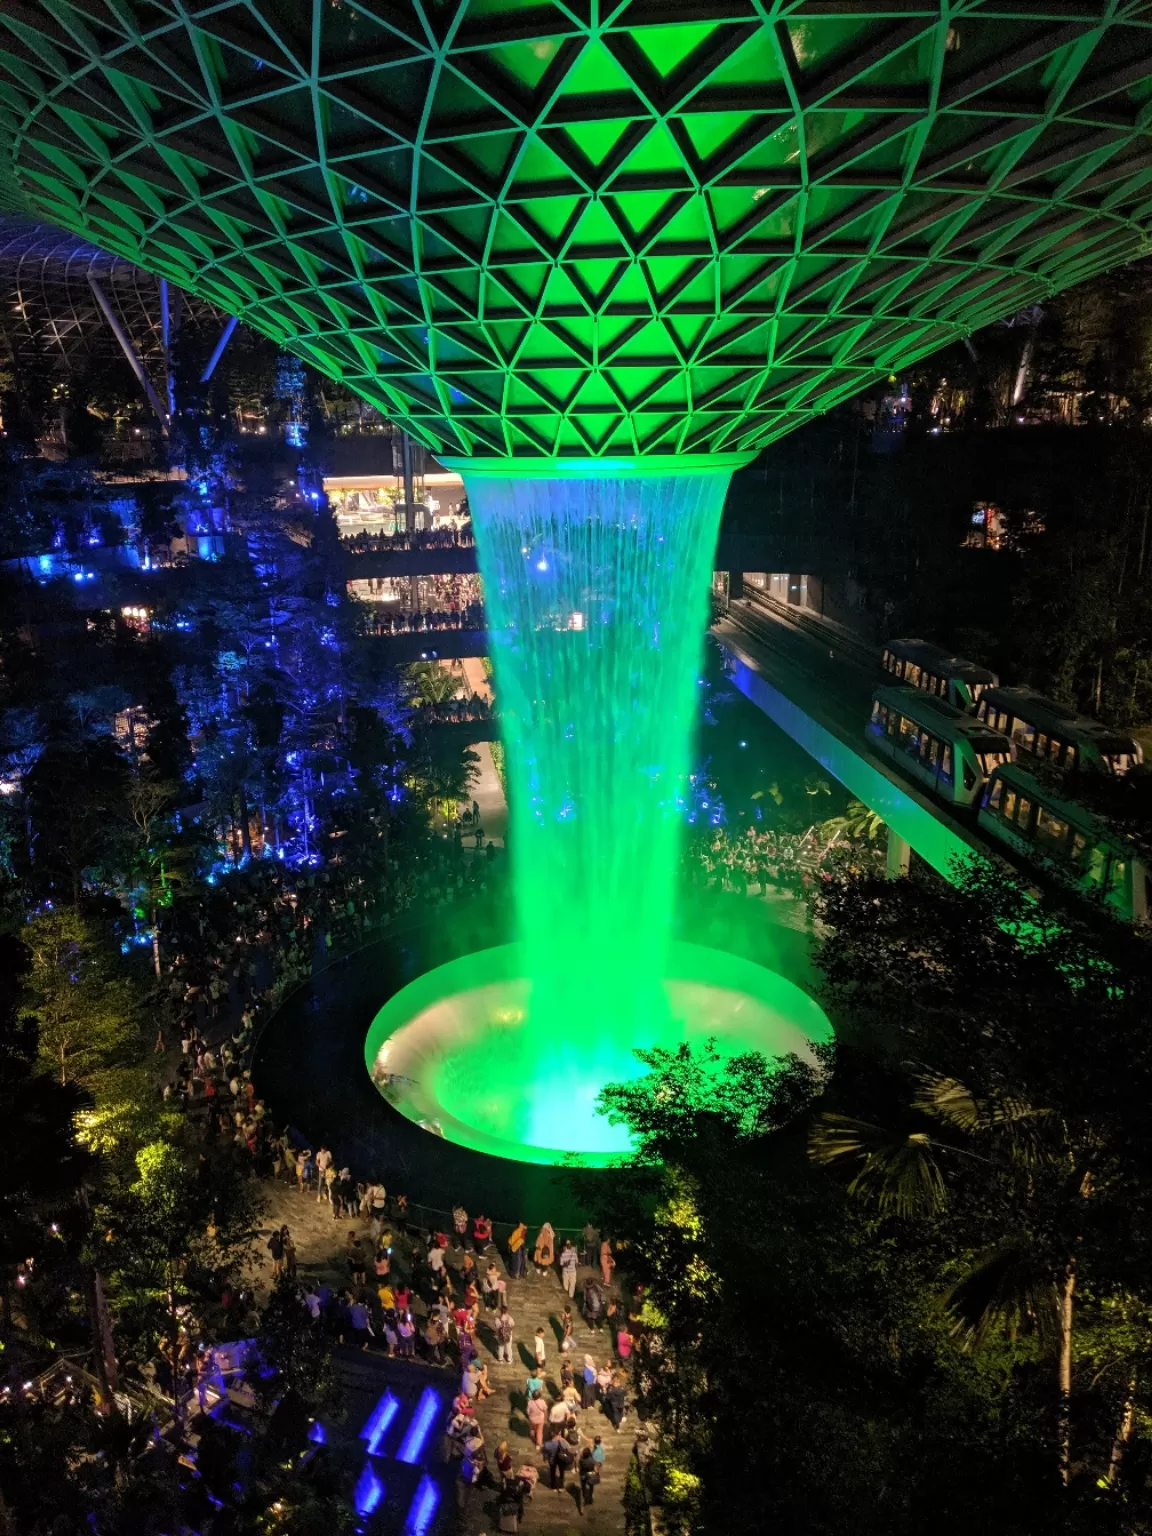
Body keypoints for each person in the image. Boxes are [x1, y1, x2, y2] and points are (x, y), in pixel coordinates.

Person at [578, 1444, 599, 1510]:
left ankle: (583, 1502)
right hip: (590, 1475)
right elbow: (596, 1470)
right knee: (591, 1487)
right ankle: (590, 1498)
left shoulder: (581, 1460)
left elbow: (580, 1467)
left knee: (583, 1487)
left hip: (583, 1475)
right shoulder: (592, 1460)